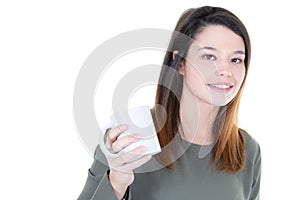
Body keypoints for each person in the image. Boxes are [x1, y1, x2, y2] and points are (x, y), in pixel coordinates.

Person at [78, 6, 261, 200]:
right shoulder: (127, 139)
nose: (225, 70)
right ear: (180, 63)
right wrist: (116, 181)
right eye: (209, 56)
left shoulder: (247, 149)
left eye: (236, 59)